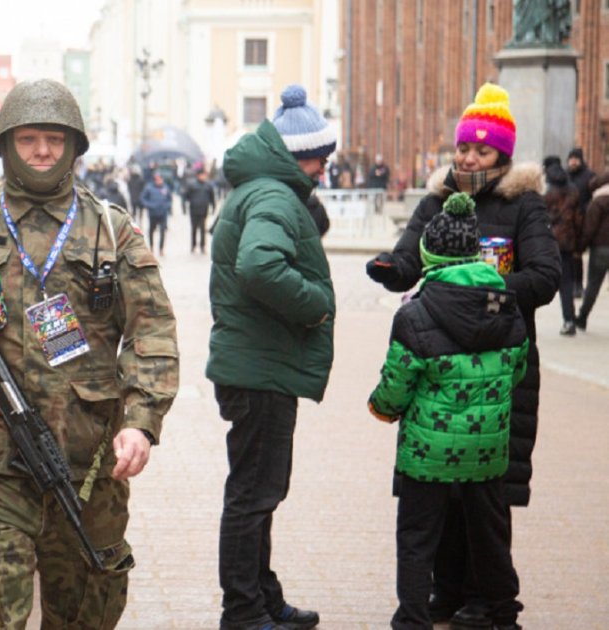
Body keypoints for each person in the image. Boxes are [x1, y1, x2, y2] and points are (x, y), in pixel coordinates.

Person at [0, 78, 179, 629]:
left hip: (89, 462)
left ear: (74, 147)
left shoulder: (111, 231)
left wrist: (141, 423)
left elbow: (153, 333)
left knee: (86, 612)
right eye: (28, 140)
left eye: (53, 139)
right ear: (6, 146)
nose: (42, 152)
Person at [364, 83, 559, 626]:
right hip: (441, 366)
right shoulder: (435, 200)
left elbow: (546, 277)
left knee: (487, 494)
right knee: (440, 486)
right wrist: (389, 270)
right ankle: (446, 591)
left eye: (482, 150)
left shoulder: (524, 204)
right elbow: (411, 260)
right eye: (464, 148)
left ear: (502, 154)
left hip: (502, 367)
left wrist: (484, 296)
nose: (469, 158)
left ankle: (488, 596)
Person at [367, 192, 528, 630]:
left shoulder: (415, 314)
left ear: (428, 255)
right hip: (488, 449)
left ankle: (414, 619)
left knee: (418, 537)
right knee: (490, 534)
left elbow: (396, 386)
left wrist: (380, 408)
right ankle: (504, 613)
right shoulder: (507, 307)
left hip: (427, 453)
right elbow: (517, 369)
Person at [207, 84, 335, 630]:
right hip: (259, 368)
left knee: (259, 490)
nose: (325, 171)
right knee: (253, 493)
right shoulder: (275, 195)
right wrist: (315, 305)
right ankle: (243, 610)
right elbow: (260, 267)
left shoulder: (265, 189)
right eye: (321, 160)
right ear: (298, 155)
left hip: (258, 365)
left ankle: (261, 597)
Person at [541, 156, 582, 335]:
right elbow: (579, 218)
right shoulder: (572, 188)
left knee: (536, 278)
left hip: (548, 241)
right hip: (567, 241)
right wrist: (579, 243)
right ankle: (569, 320)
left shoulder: (545, 189)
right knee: (566, 283)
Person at [575, 171, 609, 329]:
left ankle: (582, 317)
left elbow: (589, 228)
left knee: (593, 285)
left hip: (600, 249)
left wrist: (580, 247)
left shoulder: (598, 202)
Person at [567, 147, 596, 298]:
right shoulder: (566, 176)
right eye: (571, 159)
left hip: (583, 221)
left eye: (575, 159)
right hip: (568, 222)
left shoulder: (589, 176)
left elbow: (593, 197)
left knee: (577, 255)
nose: (572, 162)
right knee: (570, 256)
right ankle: (571, 284)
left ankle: (578, 285)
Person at [183, 169, 217, 253]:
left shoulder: (208, 186)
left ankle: (202, 246)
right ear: (198, 175)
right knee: (194, 229)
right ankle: (193, 245)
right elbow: (185, 196)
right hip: (193, 210)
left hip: (204, 210)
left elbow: (212, 198)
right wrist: (184, 207)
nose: (203, 177)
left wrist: (213, 207)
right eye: (202, 175)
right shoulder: (192, 185)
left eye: (204, 175)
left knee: (203, 229)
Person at [140, 172, 172, 255]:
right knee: (151, 230)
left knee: (162, 231)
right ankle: (151, 247)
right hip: (153, 214)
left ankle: (161, 249)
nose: (159, 181)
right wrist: (149, 206)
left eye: (160, 179)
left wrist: (167, 206)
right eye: (157, 179)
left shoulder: (165, 188)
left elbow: (169, 199)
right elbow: (143, 199)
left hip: (163, 214)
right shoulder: (149, 188)